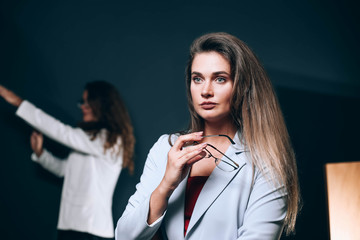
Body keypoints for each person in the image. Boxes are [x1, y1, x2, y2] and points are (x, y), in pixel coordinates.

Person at [115, 32, 300, 240]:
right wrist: (166, 185)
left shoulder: (267, 160)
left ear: (243, 86)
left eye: (220, 79)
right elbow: (124, 236)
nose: (206, 91)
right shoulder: (166, 148)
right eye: (197, 79)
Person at [0, 81, 135, 240]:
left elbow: (61, 132)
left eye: (88, 102)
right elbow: (65, 170)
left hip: (91, 231)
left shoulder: (109, 140)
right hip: (69, 226)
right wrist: (41, 153)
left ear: (102, 105)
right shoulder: (89, 139)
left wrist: (17, 102)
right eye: (82, 102)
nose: (83, 106)